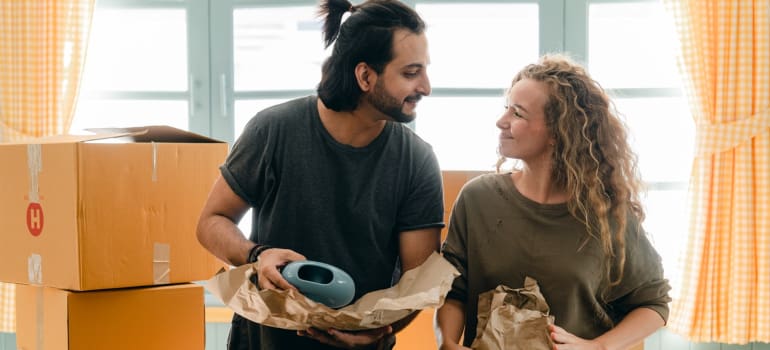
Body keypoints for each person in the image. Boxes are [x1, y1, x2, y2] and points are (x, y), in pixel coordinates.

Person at [195, 0, 443, 349]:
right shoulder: (273, 130)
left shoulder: (418, 161)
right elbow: (210, 222)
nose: (426, 87)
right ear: (365, 76)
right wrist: (257, 255)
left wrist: (378, 332)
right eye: (411, 73)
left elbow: (417, 283)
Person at [434, 54, 672, 350]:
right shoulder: (477, 199)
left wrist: (597, 347)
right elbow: (452, 290)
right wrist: (447, 343)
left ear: (558, 133)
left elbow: (654, 304)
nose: (501, 121)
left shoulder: (606, 213)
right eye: (506, 108)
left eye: (517, 114)